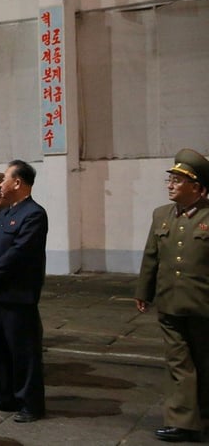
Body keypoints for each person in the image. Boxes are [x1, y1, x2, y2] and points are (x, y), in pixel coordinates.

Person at [135, 148, 209, 443]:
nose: (171, 184)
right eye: (171, 179)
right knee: (180, 363)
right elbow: (151, 257)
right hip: (169, 303)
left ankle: (200, 415)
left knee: (203, 362)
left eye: (178, 180)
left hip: (203, 305)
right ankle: (183, 422)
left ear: (198, 187)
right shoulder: (161, 215)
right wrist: (144, 290)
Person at [0, 159, 47, 423]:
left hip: (16, 296)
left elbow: (19, 253)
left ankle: (31, 403)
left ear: (17, 182)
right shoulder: (5, 212)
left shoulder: (34, 214)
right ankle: (5, 396)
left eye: (4, 178)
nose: (0, 184)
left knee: (23, 352)